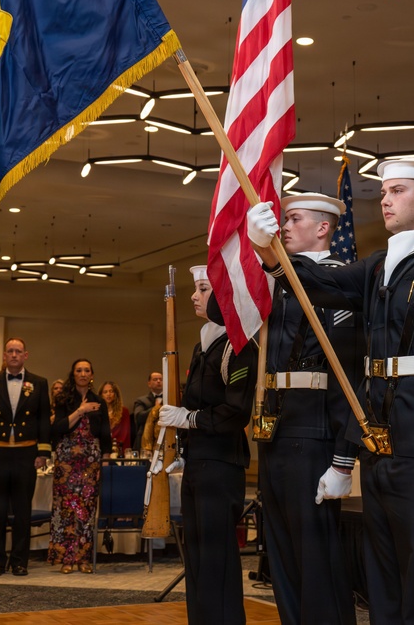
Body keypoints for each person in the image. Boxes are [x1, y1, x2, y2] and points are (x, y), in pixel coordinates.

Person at [247, 158, 414, 623]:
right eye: (384, 192)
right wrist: (270, 254)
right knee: (382, 576)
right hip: (380, 441)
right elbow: (320, 283)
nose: (386, 201)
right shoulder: (379, 265)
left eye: (397, 191)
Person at [255, 192, 363, 625]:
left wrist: (343, 460)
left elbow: (349, 375)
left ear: (323, 228)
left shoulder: (338, 282)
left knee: (317, 558)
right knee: (282, 554)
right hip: (278, 428)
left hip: (314, 431)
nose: (284, 225)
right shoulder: (281, 285)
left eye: (294, 218)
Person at [157, 265, 257, 625]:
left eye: (202, 288)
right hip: (199, 462)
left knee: (218, 559)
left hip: (221, 465)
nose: (193, 296)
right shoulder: (205, 344)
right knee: (197, 557)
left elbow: (235, 412)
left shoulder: (238, 344)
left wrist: (188, 419)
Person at [0, 338, 51, 577]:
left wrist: (43, 452)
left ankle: (19, 561)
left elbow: (43, 419)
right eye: (10, 351)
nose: (14, 355)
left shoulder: (39, 383)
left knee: (22, 511)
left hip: (26, 454)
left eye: (18, 351)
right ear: (4, 356)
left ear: (25, 355)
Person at [49, 359, 111, 573]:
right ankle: (66, 559)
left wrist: (106, 457)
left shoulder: (99, 400)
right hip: (66, 459)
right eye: (78, 370)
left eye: (86, 370)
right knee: (66, 508)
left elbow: (105, 434)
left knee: (85, 509)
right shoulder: (63, 399)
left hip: (90, 460)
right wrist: (81, 410)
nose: (83, 373)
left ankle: (83, 558)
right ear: (73, 374)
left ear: (91, 374)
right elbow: (57, 428)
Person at [131, 372, 163, 453]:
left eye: (161, 379)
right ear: (149, 384)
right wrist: (155, 408)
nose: (158, 381)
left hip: (164, 438)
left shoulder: (170, 399)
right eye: (155, 379)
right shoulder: (141, 400)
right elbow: (138, 417)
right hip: (145, 441)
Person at [99, 381, 131, 454]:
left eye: (111, 391)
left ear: (115, 394)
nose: (108, 394)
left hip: (119, 449)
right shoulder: (97, 412)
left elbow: (125, 433)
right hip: (101, 449)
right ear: (101, 395)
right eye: (105, 392)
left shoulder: (124, 411)